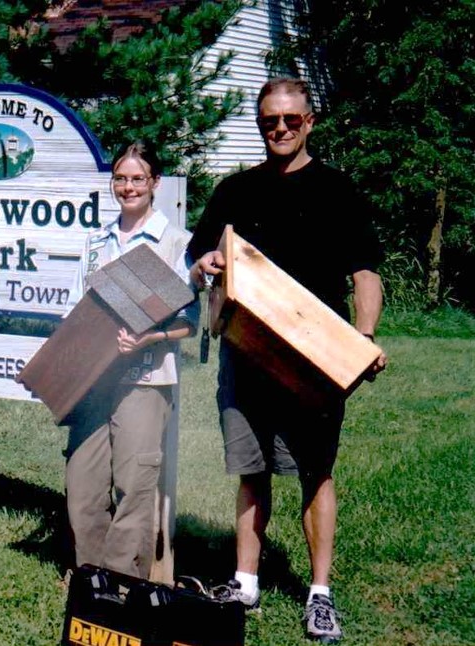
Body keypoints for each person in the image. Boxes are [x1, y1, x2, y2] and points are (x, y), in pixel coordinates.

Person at [188, 78, 386, 644]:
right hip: (245, 354)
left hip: (315, 360)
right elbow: (202, 254)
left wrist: (364, 335)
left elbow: (365, 272)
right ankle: (245, 582)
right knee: (251, 472)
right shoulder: (234, 191)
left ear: (310, 121)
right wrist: (204, 263)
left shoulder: (337, 190)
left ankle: (319, 595)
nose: (279, 129)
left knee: (315, 474)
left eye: (290, 120)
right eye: (269, 122)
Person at [65, 141, 199, 583]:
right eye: (120, 178)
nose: (128, 187)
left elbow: (191, 322)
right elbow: (75, 311)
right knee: (82, 486)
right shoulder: (95, 241)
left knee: (133, 486)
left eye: (138, 178)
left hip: (146, 379)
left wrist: (149, 337)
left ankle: (122, 584)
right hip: (92, 383)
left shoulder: (176, 243)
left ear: (155, 183)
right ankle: (91, 579)